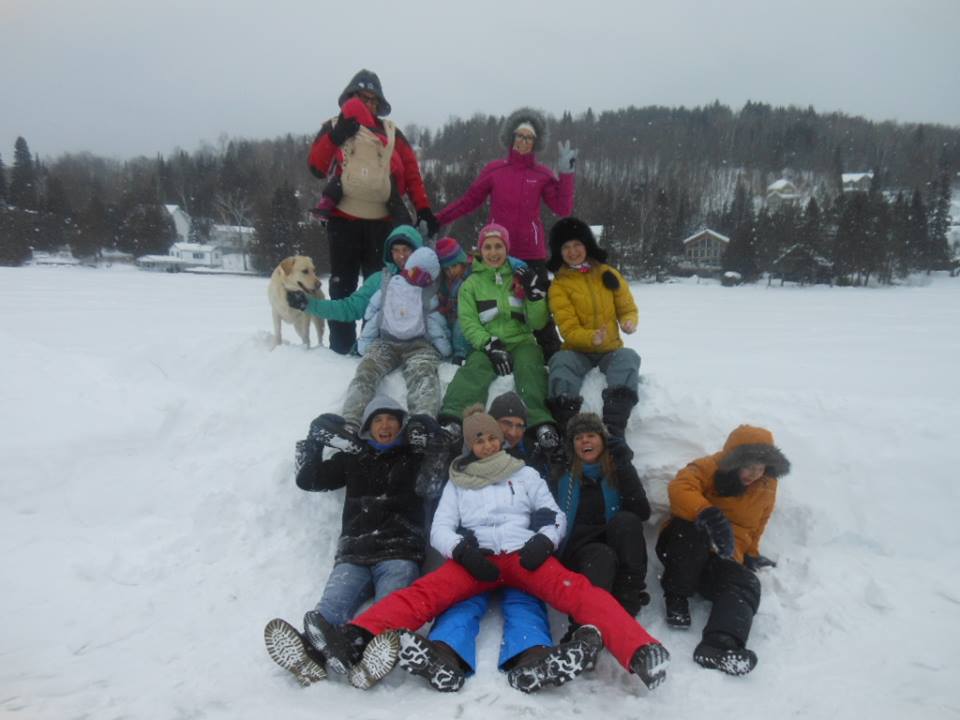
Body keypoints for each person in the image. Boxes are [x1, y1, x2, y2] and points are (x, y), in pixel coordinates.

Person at [304, 406, 671, 692]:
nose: (488, 445)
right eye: (479, 440)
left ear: (500, 440)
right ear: (471, 445)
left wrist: (544, 540)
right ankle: (356, 638)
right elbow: (440, 528)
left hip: (523, 556)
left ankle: (641, 651)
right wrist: (462, 552)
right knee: (423, 594)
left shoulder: (524, 474)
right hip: (477, 560)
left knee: (582, 594)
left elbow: (553, 514)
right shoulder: (459, 481)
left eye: (493, 438)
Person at [396, 393, 602, 694]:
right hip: (476, 553)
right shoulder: (463, 466)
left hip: (520, 551)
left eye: (520, 425)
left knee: (525, 600)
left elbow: (549, 505)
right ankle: (443, 653)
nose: (513, 432)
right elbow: (438, 511)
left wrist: (540, 536)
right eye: (506, 424)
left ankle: (532, 656)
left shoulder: (531, 459)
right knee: (461, 600)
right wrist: (461, 543)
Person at [263, 395, 433, 689]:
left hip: (399, 550)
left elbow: (435, 480)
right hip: (355, 553)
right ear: (367, 427)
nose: (385, 425)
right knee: (330, 608)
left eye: (391, 420)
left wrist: (433, 435)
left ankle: (363, 652)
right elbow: (309, 479)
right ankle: (309, 652)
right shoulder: (354, 458)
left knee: (390, 610)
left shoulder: (414, 457)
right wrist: (314, 440)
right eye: (378, 420)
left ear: (401, 426)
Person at [308, 69, 438, 354]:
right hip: (343, 220)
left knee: (380, 288)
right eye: (362, 97)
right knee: (342, 285)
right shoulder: (335, 126)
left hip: (382, 222)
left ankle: (372, 346)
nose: (368, 103)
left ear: (379, 104)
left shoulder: (392, 132)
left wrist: (423, 208)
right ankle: (341, 348)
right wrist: (335, 136)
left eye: (373, 99)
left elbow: (412, 174)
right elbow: (316, 166)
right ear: (350, 98)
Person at [435, 107, 577, 360]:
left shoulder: (542, 174)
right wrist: (438, 220)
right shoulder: (495, 170)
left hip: (530, 254)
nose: (523, 141)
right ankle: (483, 351)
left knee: (538, 305)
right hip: (496, 254)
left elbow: (563, 208)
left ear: (536, 142)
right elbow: (469, 201)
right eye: (520, 136)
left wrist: (566, 174)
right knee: (490, 306)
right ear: (511, 137)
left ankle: (553, 359)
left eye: (529, 137)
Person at [287, 225, 451, 437]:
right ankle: (350, 424)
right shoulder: (380, 280)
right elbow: (350, 307)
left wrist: (457, 348)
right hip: (386, 343)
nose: (401, 256)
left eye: (406, 250)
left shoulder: (432, 280)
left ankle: (422, 426)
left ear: (417, 251)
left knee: (424, 376)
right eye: (396, 250)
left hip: (421, 344)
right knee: (366, 372)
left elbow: (457, 306)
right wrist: (310, 305)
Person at [656, 425, 791, 676]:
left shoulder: (767, 484)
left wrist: (751, 553)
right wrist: (707, 514)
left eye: (760, 467)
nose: (754, 474)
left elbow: (758, 522)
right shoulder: (709, 466)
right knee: (693, 532)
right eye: (748, 466)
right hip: (682, 545)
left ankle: (718, 646)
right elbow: (680, 487)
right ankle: (676, 596)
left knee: (746, 582)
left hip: (722, 555)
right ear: (735, 459)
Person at [437, 224, 560, 453]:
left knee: (531, 370)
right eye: (488, 247)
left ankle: (540, 423)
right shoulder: (471, 284)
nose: (493, 252)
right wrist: (489, 344)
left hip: (522, 341)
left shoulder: (520, 278)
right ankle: (453, 419)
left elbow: (537, 323)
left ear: (507, 249)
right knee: (474, 371)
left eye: (498, 246)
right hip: (487, 344)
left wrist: (535, 298)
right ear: (480, 250)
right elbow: (468, 321)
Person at [553, 413, 652, 641]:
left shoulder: (616, 470)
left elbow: (642, 512)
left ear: (603, 440)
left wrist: (624, 466)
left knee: (627, 521)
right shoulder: (564, 475)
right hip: (580, 551)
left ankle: (626, 599)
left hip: (614, 543)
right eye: (578, 438)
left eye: (591, 435)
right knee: (601, 555)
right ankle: (583, 631)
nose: (585, 441)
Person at [545, 217, 641, 438]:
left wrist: (628, 322)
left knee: (628, 358)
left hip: (610, 350)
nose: (573, 251)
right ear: (559, 252)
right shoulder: (559, 285)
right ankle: (567, 429)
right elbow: (568, 329)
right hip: (577, 352)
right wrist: (590, 337)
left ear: (587, 244)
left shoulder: (608, 273)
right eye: (566, 247)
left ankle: (614, 429)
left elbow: (627, 308)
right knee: (560, 362)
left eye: (577, 244)